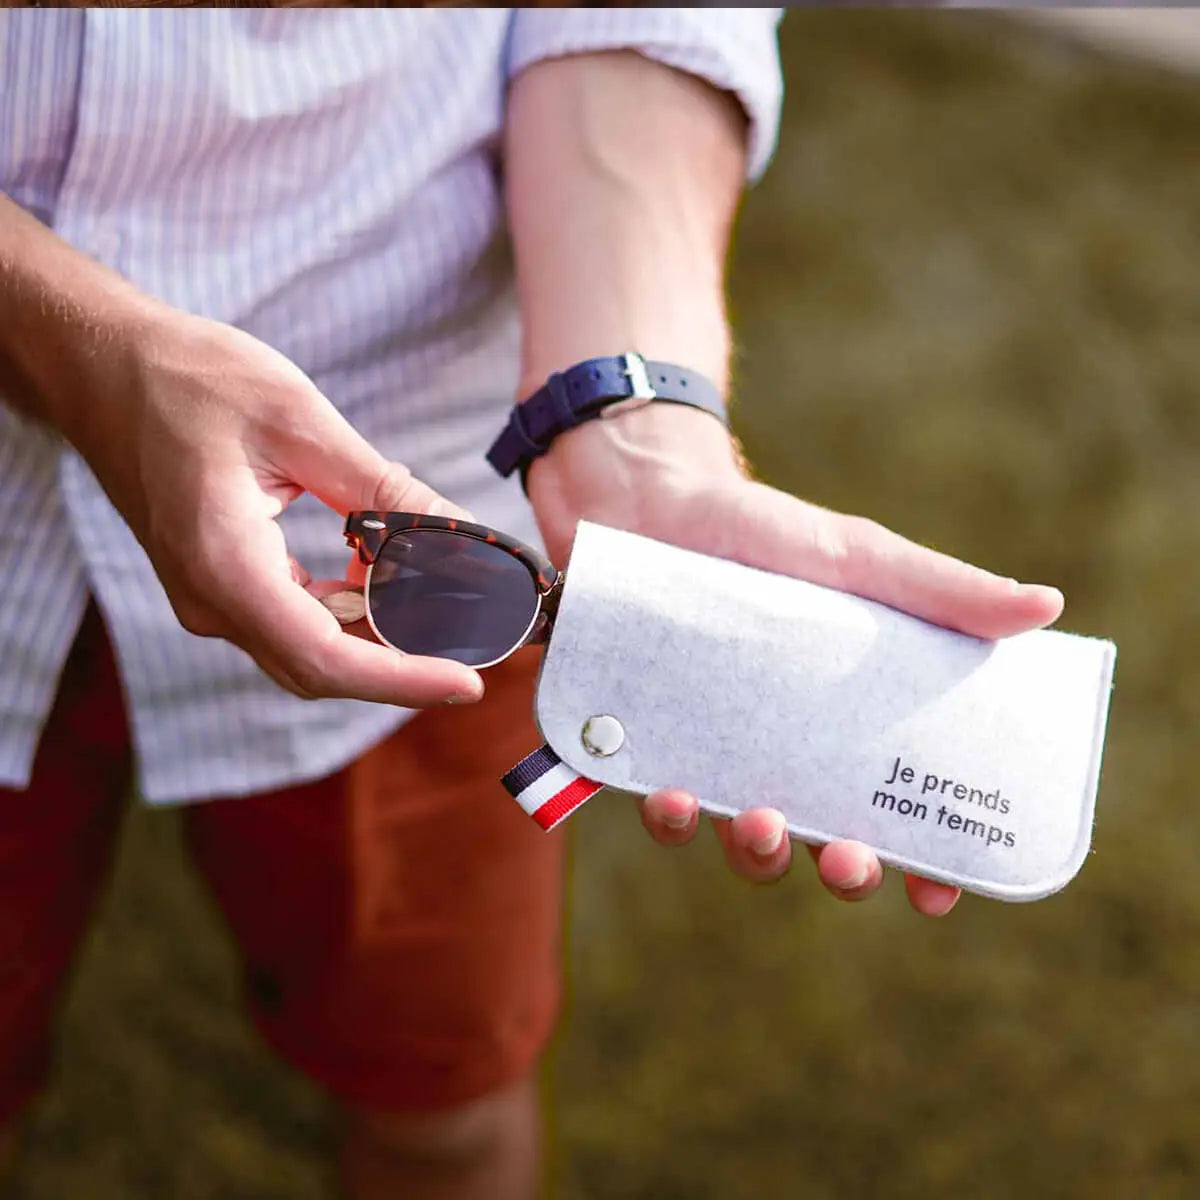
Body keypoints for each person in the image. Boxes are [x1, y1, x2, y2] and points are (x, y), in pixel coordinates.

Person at [0, 8, 1064, 1198]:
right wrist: (75, 345)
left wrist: (628, 423)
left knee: (443, 1086)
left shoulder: (498, 595)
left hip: (421, 564)